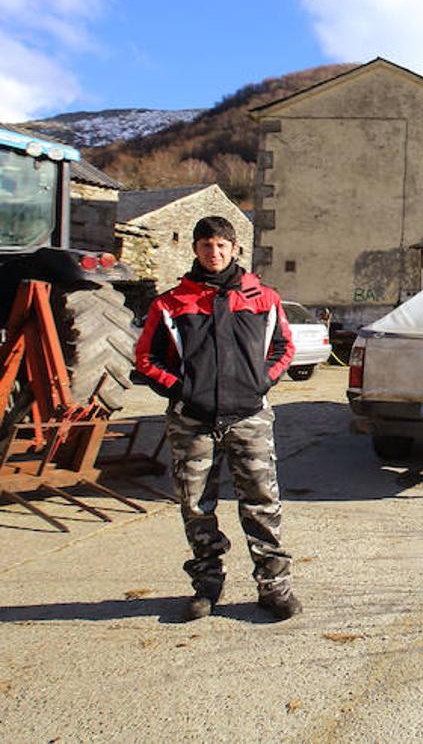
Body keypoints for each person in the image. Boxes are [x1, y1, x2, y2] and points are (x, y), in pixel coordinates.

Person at [135, 215, 303, 622]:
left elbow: (284, 348)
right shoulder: (171, 303)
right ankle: (207, 586)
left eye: (222, 246)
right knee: (196, 506)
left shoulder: (263, 298)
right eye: (207, 246)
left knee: (262, 502)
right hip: (192, 421)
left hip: (249, 417)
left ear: (234, 249)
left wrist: (261, 382)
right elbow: (145, 358)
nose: (214, 253)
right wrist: (180, 390)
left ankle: (274, 587)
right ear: (196, 249)